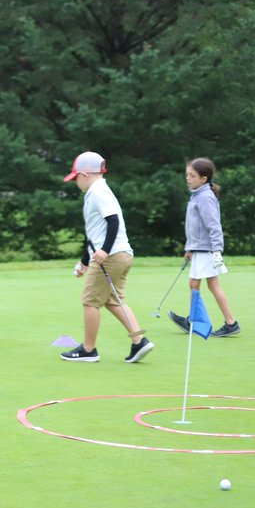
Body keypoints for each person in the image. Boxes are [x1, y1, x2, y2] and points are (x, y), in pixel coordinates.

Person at [60, 151, 154, 363]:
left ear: (84, 174)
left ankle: (88, 350)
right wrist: (84, 261)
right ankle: (139, 341)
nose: (76, 183)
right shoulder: (98, 191)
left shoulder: (98, 192)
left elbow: (113, 221)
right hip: (120, 254)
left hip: (110, 256)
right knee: (113, 300)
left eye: (76, 178)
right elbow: (93, 234)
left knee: (90, 301)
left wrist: (104, 250)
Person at [169, 158, 239, 336]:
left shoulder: (205, 197)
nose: (188, 178)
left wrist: (217, 250)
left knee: (201, 284)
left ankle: (199, 321)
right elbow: (195, 228)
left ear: (204, 179)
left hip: (207, 250)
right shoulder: (198, 195)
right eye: (187, 175)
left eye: (192, 175)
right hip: (200, 248)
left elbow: (213, 225)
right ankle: (225, 322)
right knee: (206, 284)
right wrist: (189, 248)